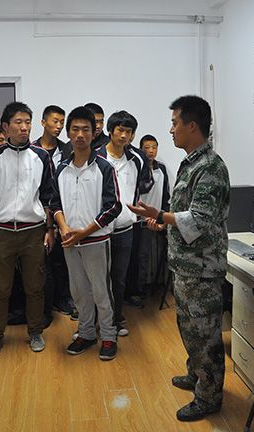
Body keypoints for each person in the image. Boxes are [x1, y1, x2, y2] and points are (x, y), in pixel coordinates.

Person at [128, 95, 229, 422]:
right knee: (189, 328)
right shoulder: (190, 163)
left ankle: (209, 397)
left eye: (175, 123)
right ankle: (196, 374)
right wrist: (165, 222)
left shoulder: (210, 167)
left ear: (192, 126)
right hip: (186, 265)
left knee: (205, 335)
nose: (170, 130)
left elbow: (199, 219)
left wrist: (161, 215)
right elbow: (184, 213)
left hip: (202, 268)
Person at [0, 102, 55, 358]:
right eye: (18, 122)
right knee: (0, 288)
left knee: (35, 286)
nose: (24, 127)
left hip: (33, 231)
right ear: (5, 126)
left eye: (27, 122)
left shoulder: (41, 156)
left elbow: (48, 196)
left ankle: (35, 332)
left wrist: (50, 229)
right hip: (2, 231)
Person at [51, 106, 121, 360]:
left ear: (94, 133)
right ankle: (87, 333)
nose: (80, 134)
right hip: (70, 242)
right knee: (79, 291)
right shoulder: (61, 169)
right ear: (68, 133)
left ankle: (109, 336)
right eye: (75, 129)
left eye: (85, 130)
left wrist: (86, 231)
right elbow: (55, 203)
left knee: (101, 291)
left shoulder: (104, 167)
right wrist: (64, 227)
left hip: (96, 241)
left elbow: (113, 206)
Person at [97, 110, 153, 336]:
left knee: (119, 279)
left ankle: (115, 320)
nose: (123, 135)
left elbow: (142, 185)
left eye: (128, 132)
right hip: (98, 229)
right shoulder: (96, 157)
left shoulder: (137, 159)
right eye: (120, 130)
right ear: (110, 130)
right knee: (98, 280)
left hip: (125, 228)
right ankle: (96, 323)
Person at [32, 105, 74, 319]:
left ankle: (63, 298)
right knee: (41, 262)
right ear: (43, 122)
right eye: (55, 121)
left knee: (61, 259)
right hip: (37, 212)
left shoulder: (67, 150)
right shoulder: (32, 150)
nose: (58, 126)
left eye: (61, 123)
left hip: (62, 211)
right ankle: (43, 305)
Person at [136, 134, 170, 296]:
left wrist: (164, 216)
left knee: (157, 254)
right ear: (141, 149)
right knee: (142, 256)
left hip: (158, 218)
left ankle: (156, 285)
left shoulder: (161, 168)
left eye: (154, 147)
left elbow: (165, 194)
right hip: (141, 220)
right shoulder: (137, 167)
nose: (151, 151)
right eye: (147, 148)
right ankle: (139, 289)